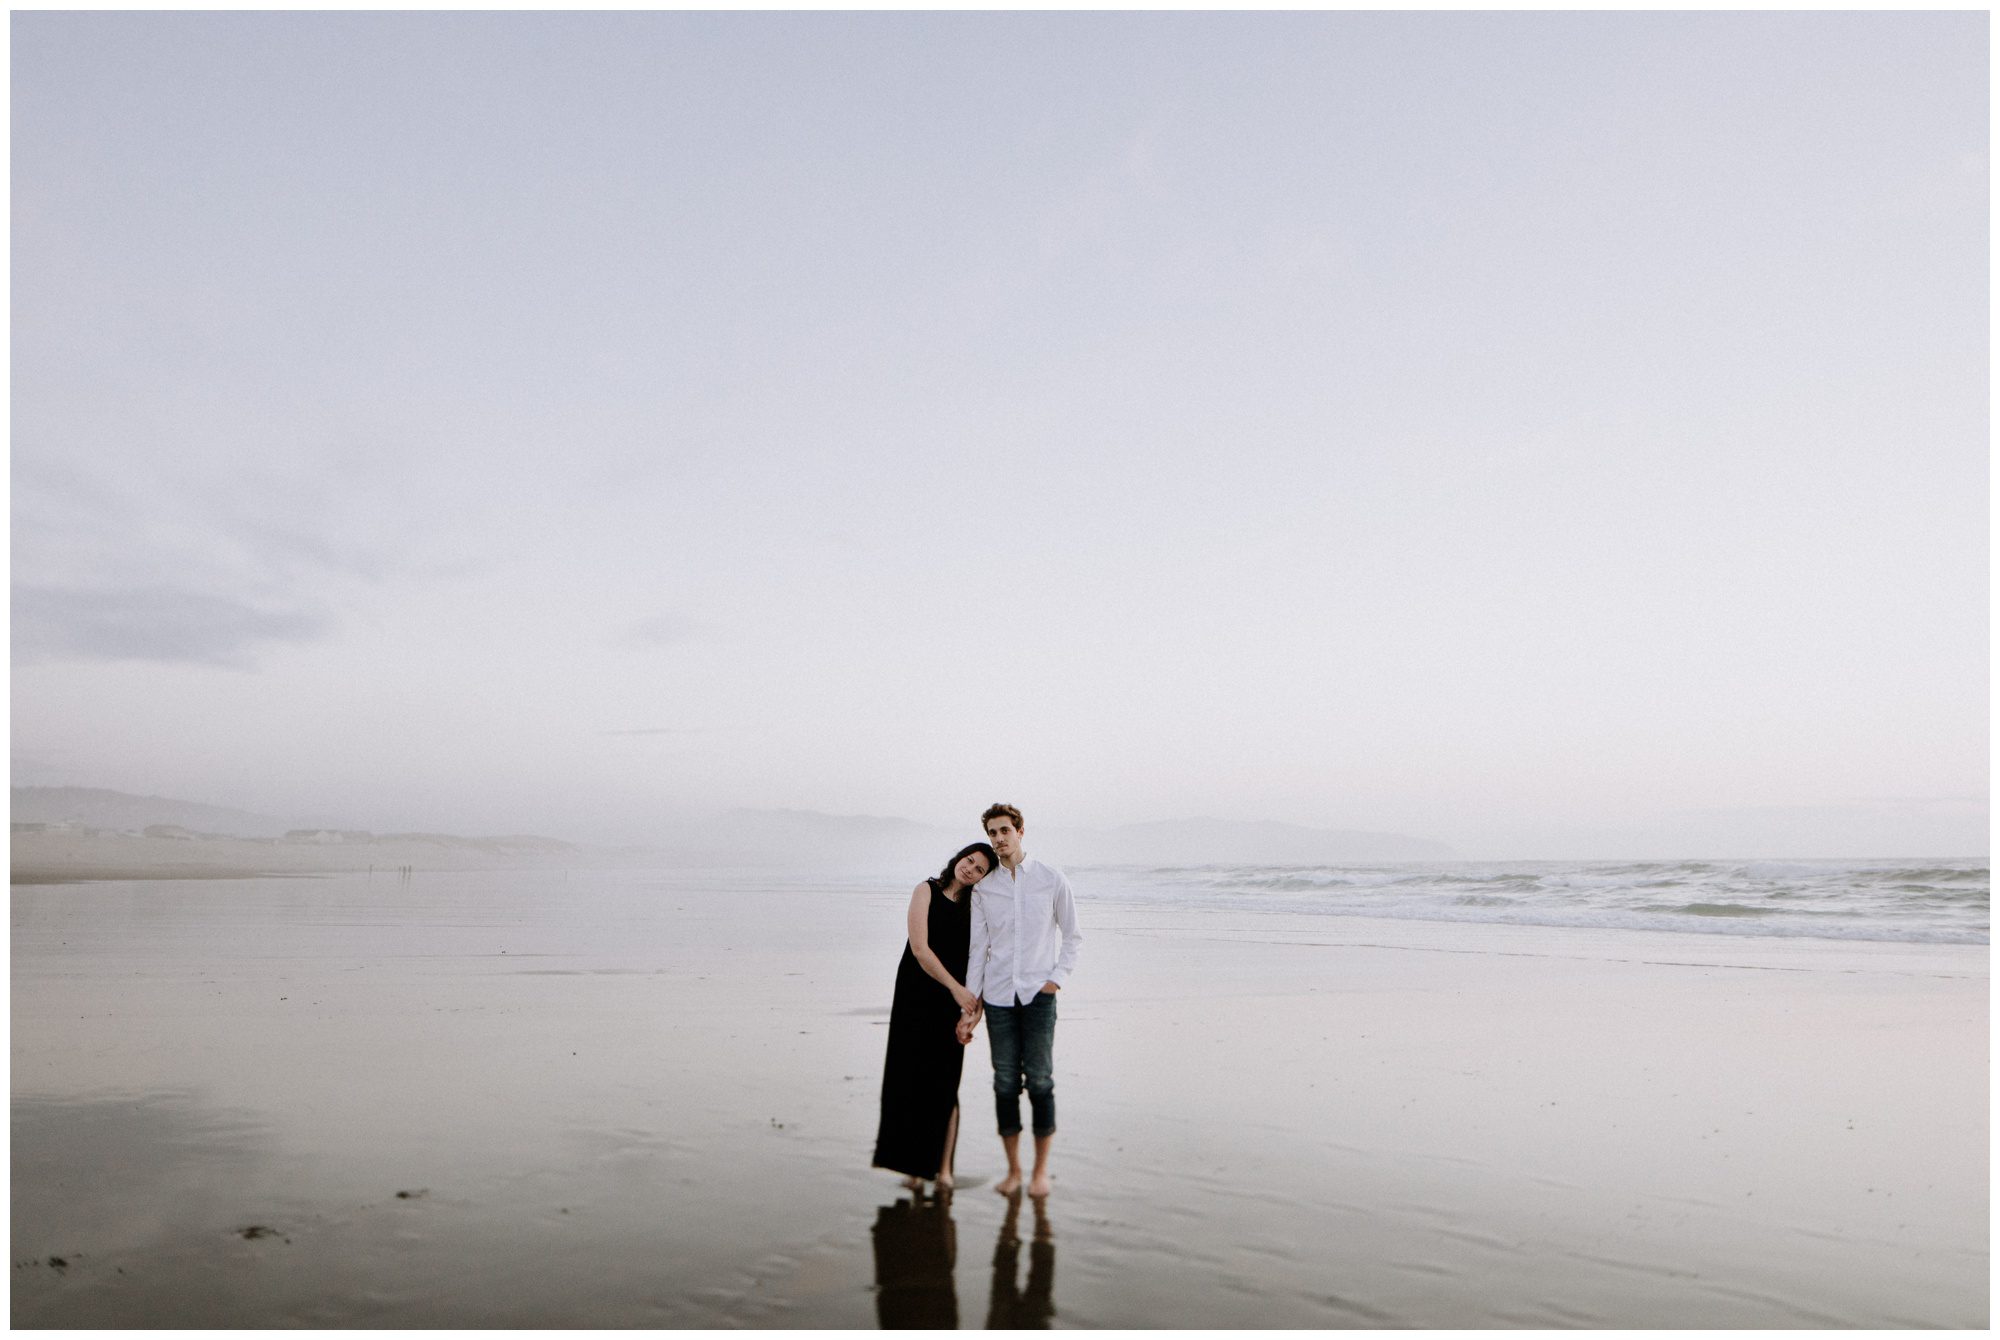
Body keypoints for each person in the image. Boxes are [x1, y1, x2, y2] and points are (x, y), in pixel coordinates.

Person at [961, 803, 1081, 1199]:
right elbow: (979, 950)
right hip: (997, 998)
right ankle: (1014, 1170)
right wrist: (971, 1004)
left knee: (1042, 1082)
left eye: (1004, 831)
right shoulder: (984, 889)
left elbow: (1073, 936)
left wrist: (1055, 981)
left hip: (1038, 996)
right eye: (992, 833)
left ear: (1020, 831)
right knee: (1006, 1083)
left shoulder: (1051, 879)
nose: (998, 839)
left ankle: (1040, 1172)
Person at [872, 842, 998, 1189]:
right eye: (969, 861)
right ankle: (913, 1169)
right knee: (910, 1078)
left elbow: (981, 959)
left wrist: (973, 1007)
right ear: (959, 858)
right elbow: (919, 949)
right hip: (915, 994)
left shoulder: (977, 908)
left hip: (950, 1003)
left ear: (982, 879)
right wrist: (956, 988)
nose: (970, 869)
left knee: (945, 1082)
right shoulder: (925, 890)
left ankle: (943, 1169)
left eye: (979, 869)